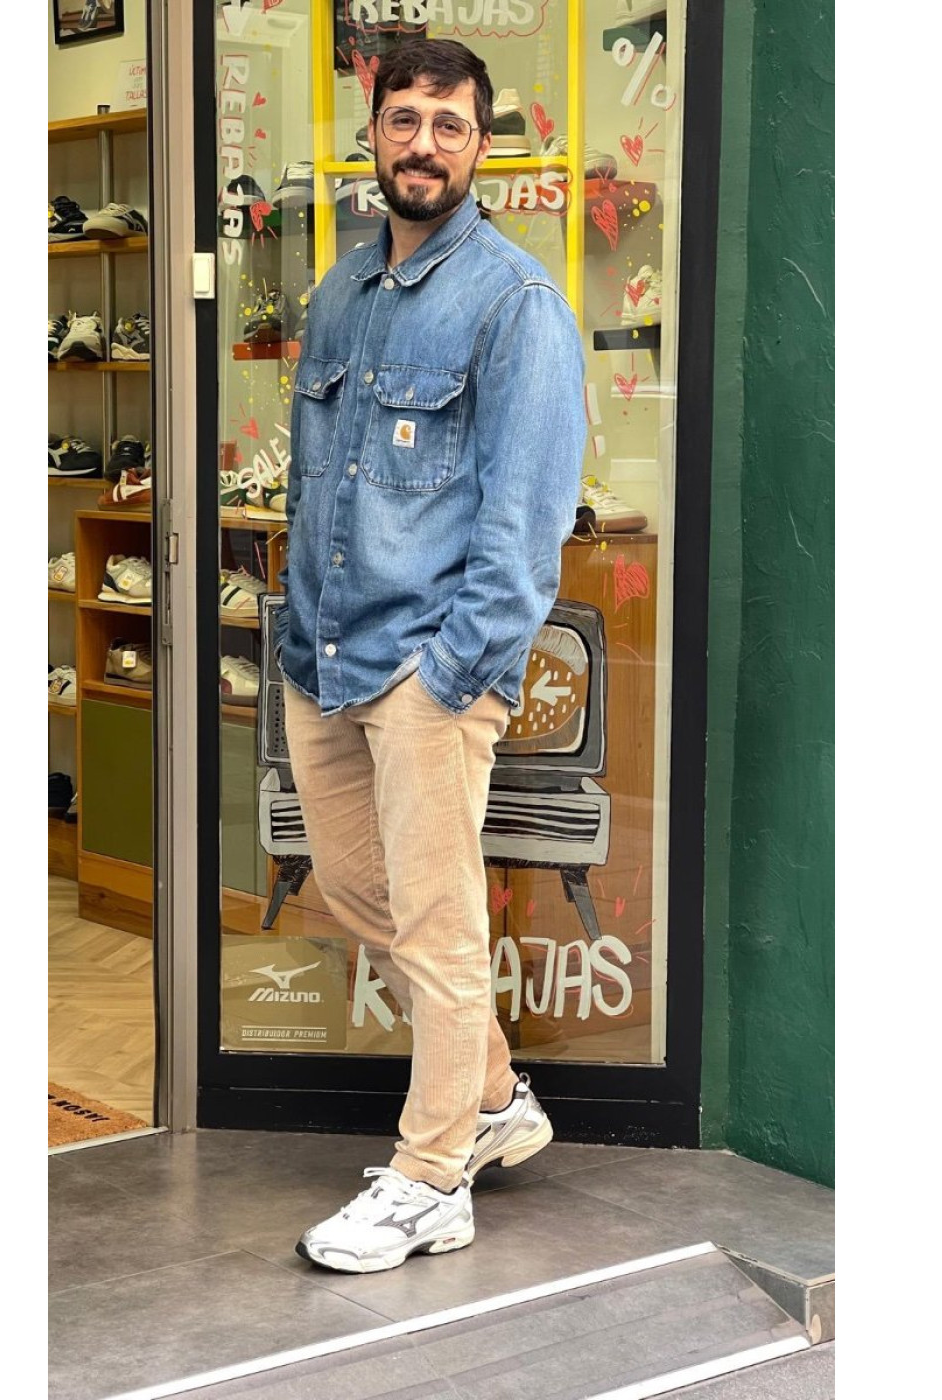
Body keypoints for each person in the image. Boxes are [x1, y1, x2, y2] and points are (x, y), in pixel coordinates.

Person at [276, 37, 586, 1274]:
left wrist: (452, 673)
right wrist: (297, 630)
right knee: (362, 892)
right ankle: (495, 1095)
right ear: (373, 133)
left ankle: (432, 1174)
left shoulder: (516, 304)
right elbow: (316, 483)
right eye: (404, 119)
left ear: (479, 147)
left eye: (448, 125)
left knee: (440, 924)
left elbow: (525, 528)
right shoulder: (342, 291)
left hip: (426, 670)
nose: (423, 144)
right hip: (324, 654)